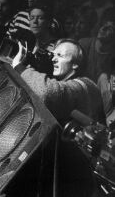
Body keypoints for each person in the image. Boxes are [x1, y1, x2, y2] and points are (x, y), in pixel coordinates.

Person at [11, 38, 105, 197]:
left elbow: (48, 93)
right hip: (63, 174)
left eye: (60, 55)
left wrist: (20, 68)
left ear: (75, 64)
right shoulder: (65, 83)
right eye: (52, 54)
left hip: (80, 181)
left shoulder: (86, 85)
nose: (53, 58)